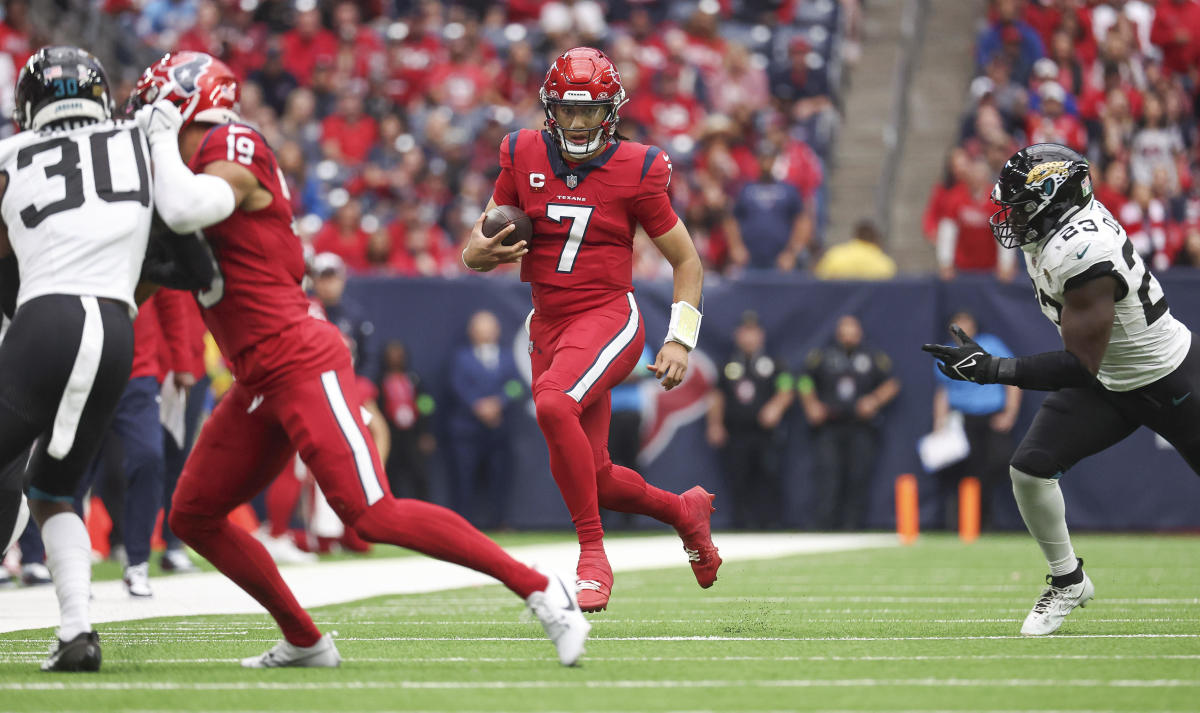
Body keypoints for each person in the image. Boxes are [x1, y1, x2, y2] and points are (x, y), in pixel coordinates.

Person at [129, 51, 589, 668]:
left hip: (298, 357)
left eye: (157, 112)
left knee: (371, 513)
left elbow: (187, 210)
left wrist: (160, 141)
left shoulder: (231, 143)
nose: (148, 124)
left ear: (186, 106)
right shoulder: (183, 172)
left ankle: (539, 587)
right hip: (256, 376)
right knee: (193, 514)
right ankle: (303, 638)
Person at [462, 47, 721, 612]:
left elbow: (688, 261)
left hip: (608, 316)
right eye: (568, 110)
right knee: (595, 475)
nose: (579, 123)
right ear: (550, 108)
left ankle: (593, 554)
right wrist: (478, 253)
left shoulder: (639, 166)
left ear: (613, 109)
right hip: (548, 323)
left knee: (554, 405)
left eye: (590, 111)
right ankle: (685, 513)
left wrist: (679, 337)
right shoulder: (520, 151)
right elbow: (474, 248)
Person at [923, 143, 1200, 636]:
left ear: (1054, 199)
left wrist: (993, 369)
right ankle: (1068, 580)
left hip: (1169, 377)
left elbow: (1078, 366)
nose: (1011, 217)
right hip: (1111, 378)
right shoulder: (1058, 230)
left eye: (1022, 205)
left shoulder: (1082, 252)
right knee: (1030, 471)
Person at [0, 47, 154, 672]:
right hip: (116, 328)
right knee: (54, 489)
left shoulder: (11, 156)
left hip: (45, 321)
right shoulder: (142, 143)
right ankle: (76, 631)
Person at [798, 315, 900, 530]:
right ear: (838, 332)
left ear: (859, 332)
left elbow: (892, 383)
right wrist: (811, 405)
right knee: (828, 474)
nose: (849, 335)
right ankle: (825, 524)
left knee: (858, 474)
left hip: (859, 425)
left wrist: (874, 400)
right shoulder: (822, 356)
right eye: (845, 329)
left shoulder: (872, 356)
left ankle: (853, 525)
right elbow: (804, 380)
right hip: (830, 424)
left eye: (853, 330)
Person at [930, 309, 1021, 530]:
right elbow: (943, 392)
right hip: (962, 419)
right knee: (966, 471)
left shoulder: (990, 344)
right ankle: (967, 523)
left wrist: (1010, 413)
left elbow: (1012, 379)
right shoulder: (947, 352)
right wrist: (939, 425)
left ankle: (986, 516)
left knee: (998, 461)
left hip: (991, 416)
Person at [706, 312, 793, 529]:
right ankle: (742, 523)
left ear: (761, 335)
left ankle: (771, 523)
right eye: (745, 332)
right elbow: (717, 395)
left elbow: (787, 387)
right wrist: (715, 424)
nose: (749, 338)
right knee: (738, 477)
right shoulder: (727, 365)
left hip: (765, 432)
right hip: (736, 432)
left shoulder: (774, 363)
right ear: (738, 335)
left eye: (753, 332)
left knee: (769, 475)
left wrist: (776, 407)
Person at [446, 310, 521, 530]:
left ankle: (499, 520)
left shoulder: (508, 358)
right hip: (466, 429)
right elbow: (456, 386)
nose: (484, 333)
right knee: (464, 478)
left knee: (499, 476)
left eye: (488, 328)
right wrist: (477, 406)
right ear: (472, 332)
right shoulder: (460, 357)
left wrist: (499, 402)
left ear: (496, 331)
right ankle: (462, 524)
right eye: (480, 329)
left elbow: (516, 387)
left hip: (498, 429)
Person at [813, 219, 897, 280]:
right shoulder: (885, 264)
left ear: (856, 236)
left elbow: (819, 280)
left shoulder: (834, 256)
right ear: (876, 240)